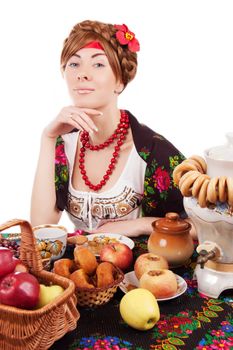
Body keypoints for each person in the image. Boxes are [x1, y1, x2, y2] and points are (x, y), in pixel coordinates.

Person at [31, 20, 189, 237]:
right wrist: (48, 137)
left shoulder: (151, 151)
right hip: (79, 268)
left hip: (143, 269)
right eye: (74, 64)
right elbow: (41, 227)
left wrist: (141, 224)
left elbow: (213, 227)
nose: (82, 74)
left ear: (120, 81)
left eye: (98, 64)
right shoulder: (63, 145)